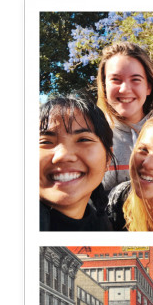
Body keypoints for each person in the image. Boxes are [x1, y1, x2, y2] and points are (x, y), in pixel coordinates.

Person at [97, 41, 153, 192]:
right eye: (115, 79)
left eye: (135, 79)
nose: (125, 89)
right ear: (104, 86)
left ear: (148, 87)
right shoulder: (91, 134)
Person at [40, 94, 114, 231]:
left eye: (83, 140)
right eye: (46, 142)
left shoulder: (103, 226)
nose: (63, 156)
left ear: (108, 159)